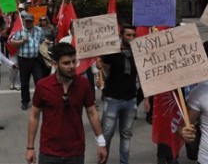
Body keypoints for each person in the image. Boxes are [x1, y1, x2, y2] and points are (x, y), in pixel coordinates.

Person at [26, 42, 107, 164]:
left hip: (75, 152)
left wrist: (101, 142)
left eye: (74, 62)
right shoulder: (43, 86)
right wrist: (30, 147)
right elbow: (34, 116)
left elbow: (92, 113)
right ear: (55, 64)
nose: (72, 66)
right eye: (66, 63)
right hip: (49, 152)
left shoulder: (83, 84)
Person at [99, 24, 140, 164]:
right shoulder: (112, 52)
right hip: (112, 99)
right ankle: (103, 160)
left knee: (126, 134)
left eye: (134, 35)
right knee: (107, 134)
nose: (131, 38)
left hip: (130, 99)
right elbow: (104, 72)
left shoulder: (138, 52)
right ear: (121, 36)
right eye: (128, 35)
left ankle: (124, 162)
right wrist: (100, 67)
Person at [11, 14, 47, 110]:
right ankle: (25, 101)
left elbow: (43, 40)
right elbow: (12, 43)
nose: (28, 23)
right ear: (24, 21)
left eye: (30, 21)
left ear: (33, 21)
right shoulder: (20, 30)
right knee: (24, 82)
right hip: (24, 60)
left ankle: (39, 101)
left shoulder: (39, 30)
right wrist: (22, 41)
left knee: (39, 81)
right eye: (26, 21)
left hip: (36, 60)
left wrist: (46, 42)